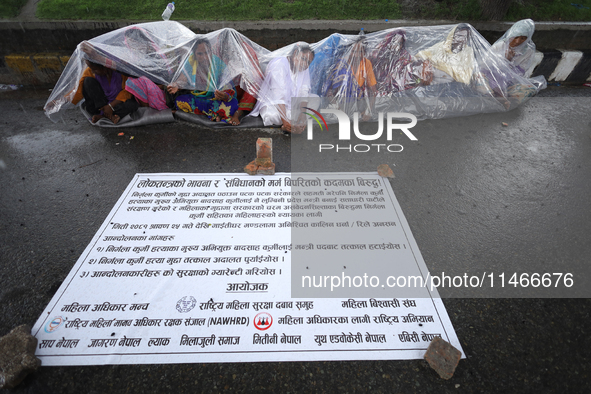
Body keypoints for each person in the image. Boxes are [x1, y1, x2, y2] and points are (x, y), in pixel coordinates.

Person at [167, 38, 238, 123]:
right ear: (194, 54)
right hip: (198, 98)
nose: (204, 57)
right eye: (200, 54)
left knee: (233, 104)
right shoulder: (191, 62)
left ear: (211, 51)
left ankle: (208, 112)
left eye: (207, 52)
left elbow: (228, 86)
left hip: (215, 99)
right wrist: (176, 85)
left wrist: (223, 95)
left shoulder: (219, 65)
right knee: (180, 100)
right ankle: (215, 114)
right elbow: (182, 79)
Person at [249, 43, 316, 133]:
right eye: (303, 59)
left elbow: (303, 92)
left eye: (308, 62)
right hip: (274, 104)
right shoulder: (279, 63)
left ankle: (293, 122)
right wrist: (285, 121)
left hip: (291, 104)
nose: (305, 64)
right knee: (272, 116)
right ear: (295, 53)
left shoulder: (303, 67)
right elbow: (278, 95)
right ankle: (288, 123)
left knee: (315, 99)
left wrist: (303, 114)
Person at [322, 36, 377, 121]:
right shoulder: (341, 64)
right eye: (353, 51)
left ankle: (358, 113)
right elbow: (329, 90)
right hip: (340, 102)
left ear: (365, 52)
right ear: (349, 51)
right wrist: (338, 109)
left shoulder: (366, 63)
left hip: (359, 101)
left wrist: (368, 111)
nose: (356, 55)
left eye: (360, 52)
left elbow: (373, 91)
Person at [71, 60, 139, 124]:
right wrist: (65, 99)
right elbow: (79, 89)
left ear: (105, 67)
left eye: (95, 69)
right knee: (87, 81)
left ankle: (104, 116)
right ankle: (108, 115)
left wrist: (110, 106)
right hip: (98, 106)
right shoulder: (90, 71)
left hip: (116, 105)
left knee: (133, 104)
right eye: (91, 68)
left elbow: (127, 91)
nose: (92, 71)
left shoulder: (121, 73)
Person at [371, 29, 432, 95]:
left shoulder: (404, 55)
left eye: (399, 43)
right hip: (381, 86)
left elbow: (410, 69)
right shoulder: (381, 54)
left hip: (398, 87)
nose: (396, 46)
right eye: (394, 42)